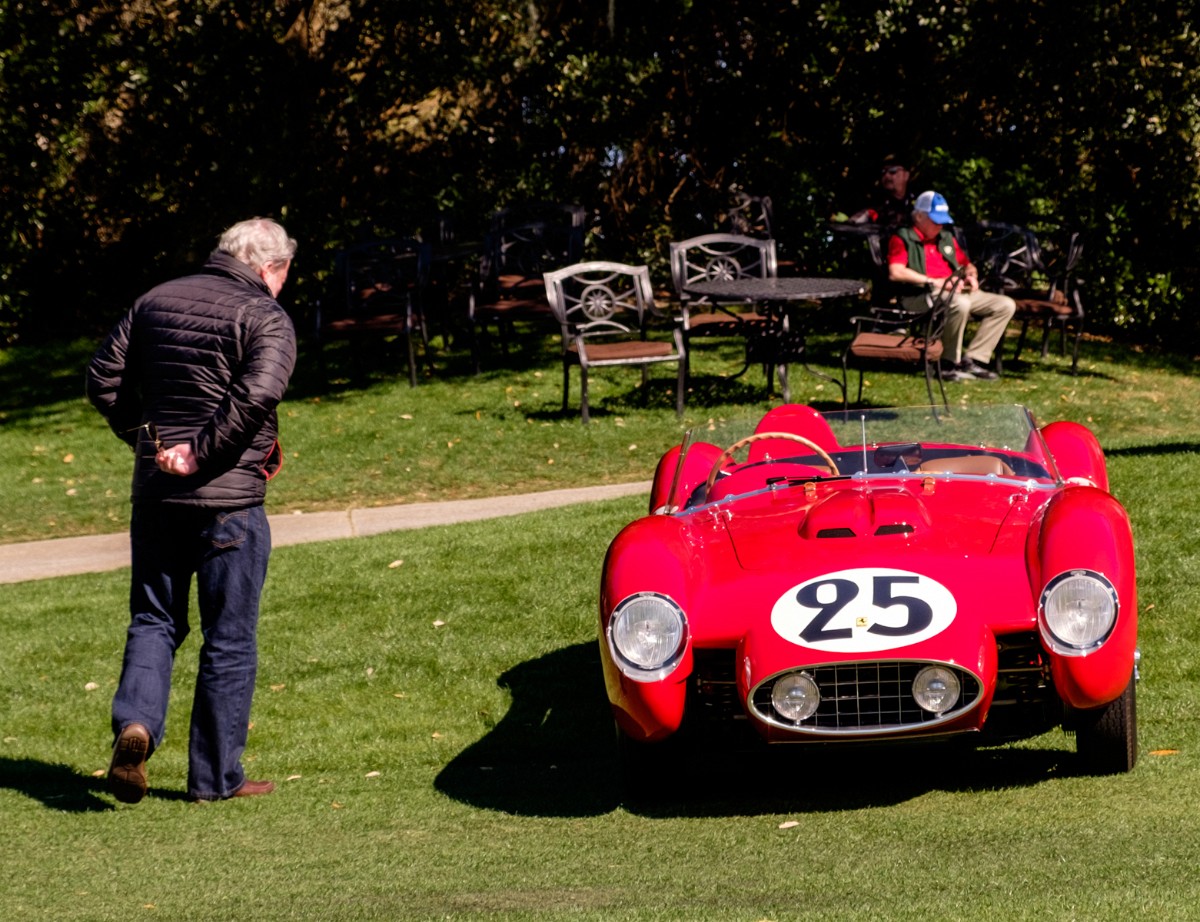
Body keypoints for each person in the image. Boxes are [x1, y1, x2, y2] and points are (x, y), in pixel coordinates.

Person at [86, 217, 298, 803]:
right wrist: (199, 455)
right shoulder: (267, 316)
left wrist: (150, 441)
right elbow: (256, 396)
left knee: (154, 620)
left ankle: (136, 726)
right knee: (229, 638)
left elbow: (102, 379)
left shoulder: (153, 300)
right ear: (269, 267)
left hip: (157, 495)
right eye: (283, 274)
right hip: (230, 502)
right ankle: (215, 779)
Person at [887, 191, 1016, 381]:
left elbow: (966, 264)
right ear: (919, 216)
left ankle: (973, 359)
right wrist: (934, 281)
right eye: (935, 220)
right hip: (921, 294)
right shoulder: (903, 237)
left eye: (942, 220)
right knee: (960, 304)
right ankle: (947, 363)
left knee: (1005, 305)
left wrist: (971, 275)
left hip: (956, 289)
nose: (940, 225)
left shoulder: (946, 237)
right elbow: (896, 272)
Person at [843, 154, 916, 232]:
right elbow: (851, 225)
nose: (887, 176)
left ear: (906, 175)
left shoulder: (916, 204)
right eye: (883, 172)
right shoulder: (873, 203)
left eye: (893, 171)